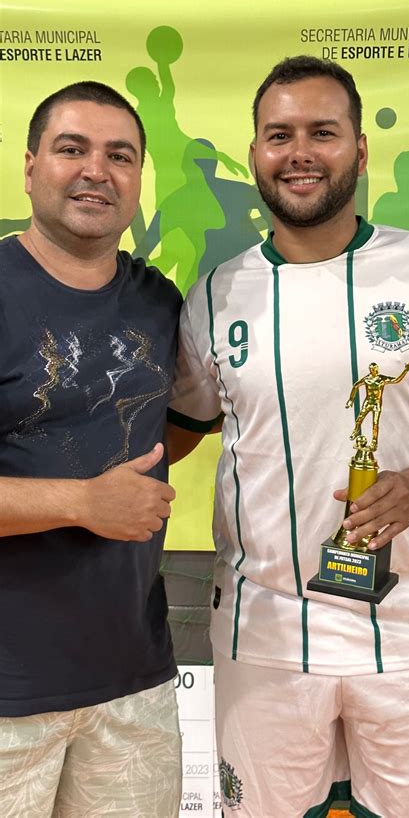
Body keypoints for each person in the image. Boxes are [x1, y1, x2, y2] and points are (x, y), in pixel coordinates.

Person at [167, 56, 409, 818]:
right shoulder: (216, 293)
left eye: (322, 133)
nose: (299, 152)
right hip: (260, 638)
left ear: (360, 151)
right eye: (279, 135)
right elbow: (178, 431)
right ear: (254, 156)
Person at [0, 81, 183, 817]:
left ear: (138, 178)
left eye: (120, 156)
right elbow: (102, 498)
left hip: (134, 684)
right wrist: (81, 502)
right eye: (72, 149)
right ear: (30, 165)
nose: (95, 171)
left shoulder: (160, 301)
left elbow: (179, 433)